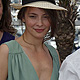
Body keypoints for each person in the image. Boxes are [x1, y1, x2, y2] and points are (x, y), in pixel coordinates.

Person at [0, 0, 66, 80]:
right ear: (23, 17)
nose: (40, 23)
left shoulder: (54, 54)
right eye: (33, 16)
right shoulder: (6, 51)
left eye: (46, 17)